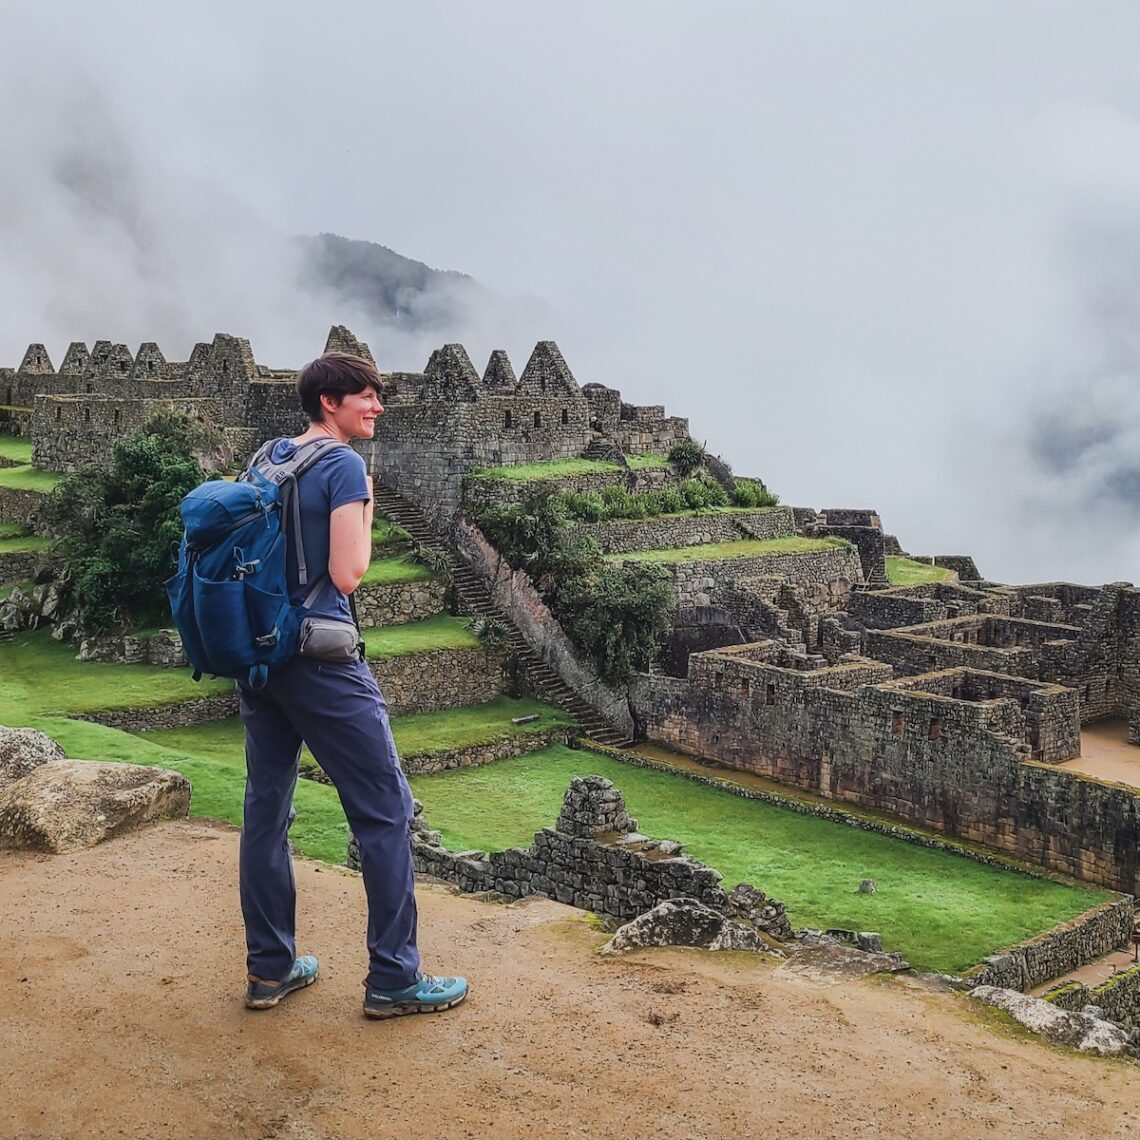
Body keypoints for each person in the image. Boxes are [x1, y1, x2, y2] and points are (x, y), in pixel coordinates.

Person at [238, 351, 468, 1018]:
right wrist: (364, 502)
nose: (378, 407)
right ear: (330, 403)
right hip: (320, 656)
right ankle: (395, 978)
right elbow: (347, 573)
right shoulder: (342, 465)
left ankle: (269, 970)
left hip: (259, 655)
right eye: (365, 397)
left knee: (266, 808)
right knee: (385, 809)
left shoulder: (268, 455)